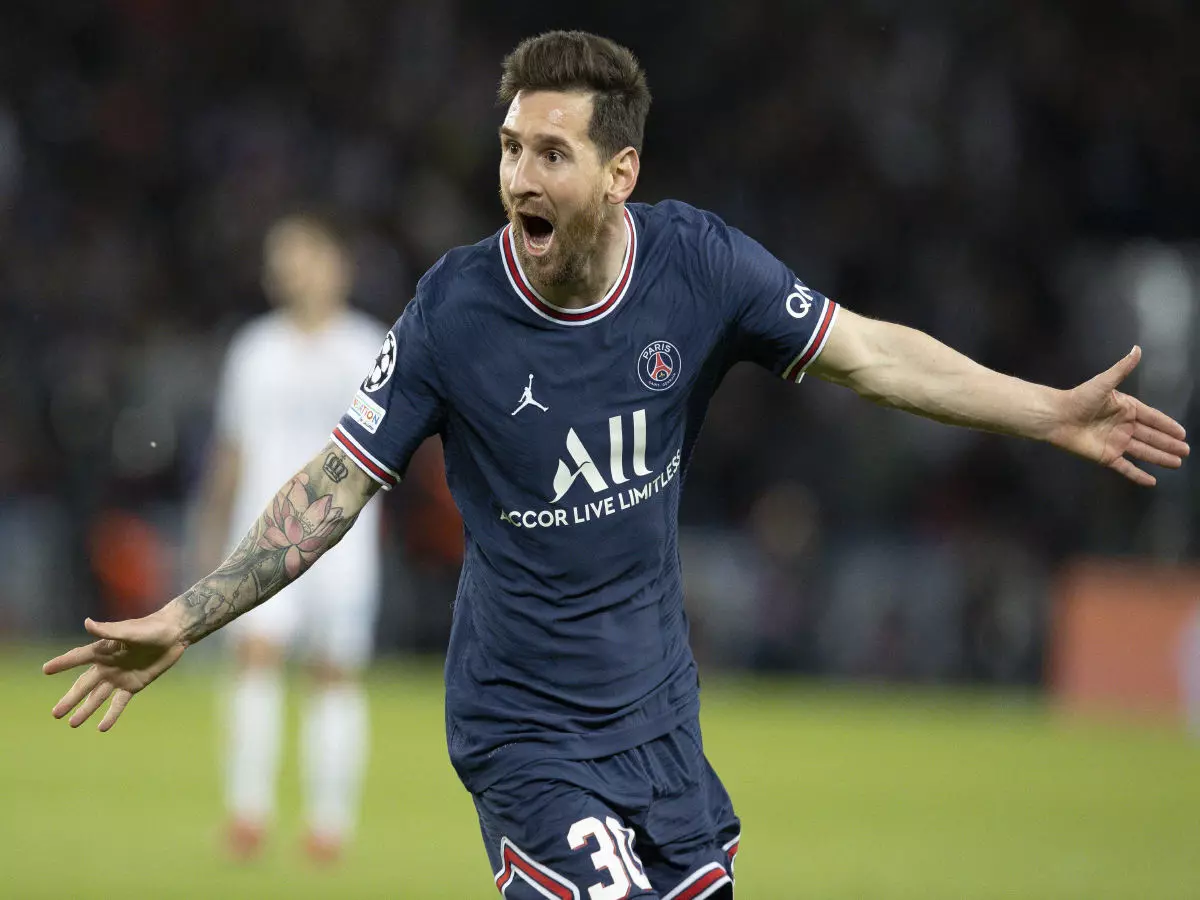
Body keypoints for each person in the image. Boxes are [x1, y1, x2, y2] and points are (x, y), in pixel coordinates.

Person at [45, 31, 1189, 899]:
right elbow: (330, 488)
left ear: (621, 170)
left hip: (658, 720)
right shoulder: (454, 312)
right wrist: (188, 617)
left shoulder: (701, 267)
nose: (520, 178)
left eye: (552, 153)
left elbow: (872, 355)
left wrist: (1047, 412)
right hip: (522, 726)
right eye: (509, 149)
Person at [190, 212, 387, 863]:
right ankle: (248, 814)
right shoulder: (255, 349)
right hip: (265, 535)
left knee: (334, 675)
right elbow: (232, 451)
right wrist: (210, 532)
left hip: (345, 541)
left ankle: (329, 825)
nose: (289, 270)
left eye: (301, 255)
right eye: (280, 259)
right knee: (256, 660)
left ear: (336, 264)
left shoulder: (369, 347)